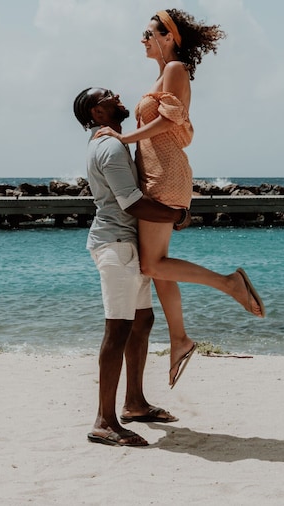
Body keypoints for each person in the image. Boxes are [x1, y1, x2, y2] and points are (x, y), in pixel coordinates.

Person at [95, 9, 264, 388]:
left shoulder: (176, 69)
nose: (143, 39)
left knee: (152, 265)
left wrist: (123, 139)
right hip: (156, 174)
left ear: (168, 37)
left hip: (165, 175)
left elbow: (170, 121)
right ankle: (179, 339)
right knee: (159, 265)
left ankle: (229, 283)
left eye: (148, 33)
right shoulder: (164, 73)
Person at [74, 86, 187, 447]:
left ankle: (135, 403)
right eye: (108, 95)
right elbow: (132, 203)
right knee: (118, 330)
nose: (116, 95)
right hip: (117, 247)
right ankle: (103, 421)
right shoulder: (108, 147)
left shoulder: (113, 140)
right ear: (97, 112)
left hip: (127, 246)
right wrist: (177, 215)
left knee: (142, 321)